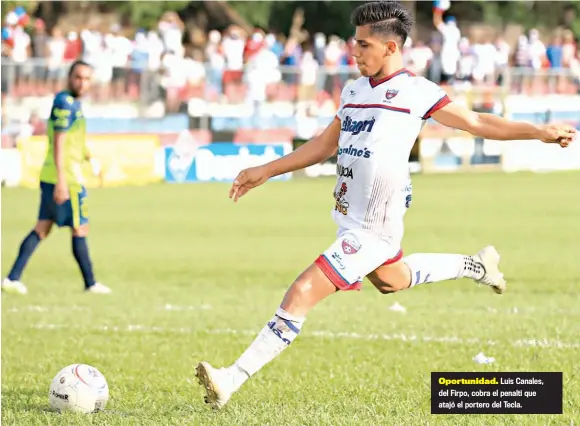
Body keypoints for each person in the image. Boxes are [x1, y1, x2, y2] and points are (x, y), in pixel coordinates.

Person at [196, 1, 576, 410]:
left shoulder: (417, 91)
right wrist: (267, 170)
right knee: (391, 279)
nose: (353, 52)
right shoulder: (354, 89)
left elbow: (478, 122)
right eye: (353, 43)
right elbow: (326, 144)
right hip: (350, 217)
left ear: (391, 48)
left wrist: (539, 132)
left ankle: (231, 378)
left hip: (375, 224)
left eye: (362, 45)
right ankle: (476, 266)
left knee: (303, 291)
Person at [2, 60, 111, 295]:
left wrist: (91, 160)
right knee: (80, 228)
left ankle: (12, 278)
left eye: (86, 78)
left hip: (57, 176)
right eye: (78, 77)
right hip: (66, 179)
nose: (82, 83)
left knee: (42, 228)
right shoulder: (65, 103)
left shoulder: (74, 104)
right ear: (69, 78)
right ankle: (90, 283)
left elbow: (76, 141)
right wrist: (62, 180)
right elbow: (60, 142)